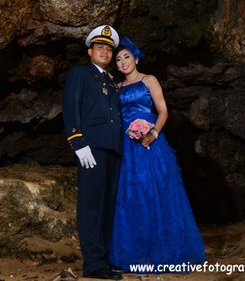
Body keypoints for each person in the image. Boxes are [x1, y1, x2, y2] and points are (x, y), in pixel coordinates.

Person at [109, 36, 207, 272]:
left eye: (126, 57)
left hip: (150, 143)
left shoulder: (149, 80)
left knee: (157, 192)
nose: (122, 62)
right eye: (118, 60)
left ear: (136, 59)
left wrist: (152, 132)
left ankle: (163, 253)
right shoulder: (117, 87)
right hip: (127, 146)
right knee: (131, 196)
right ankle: (135, 254)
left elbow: (163, 111)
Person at [62, 25, 124, 280]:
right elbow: (70, 108)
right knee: (91, 207)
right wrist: (78, 142)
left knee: (108, 207)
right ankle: (94, 264)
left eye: (109, 49)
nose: (105, 51)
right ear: (90, 51)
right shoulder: (80, 75)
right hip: (92, 148)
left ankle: (105, 260)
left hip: (112, 149)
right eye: (100, 47)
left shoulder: (110, 80)